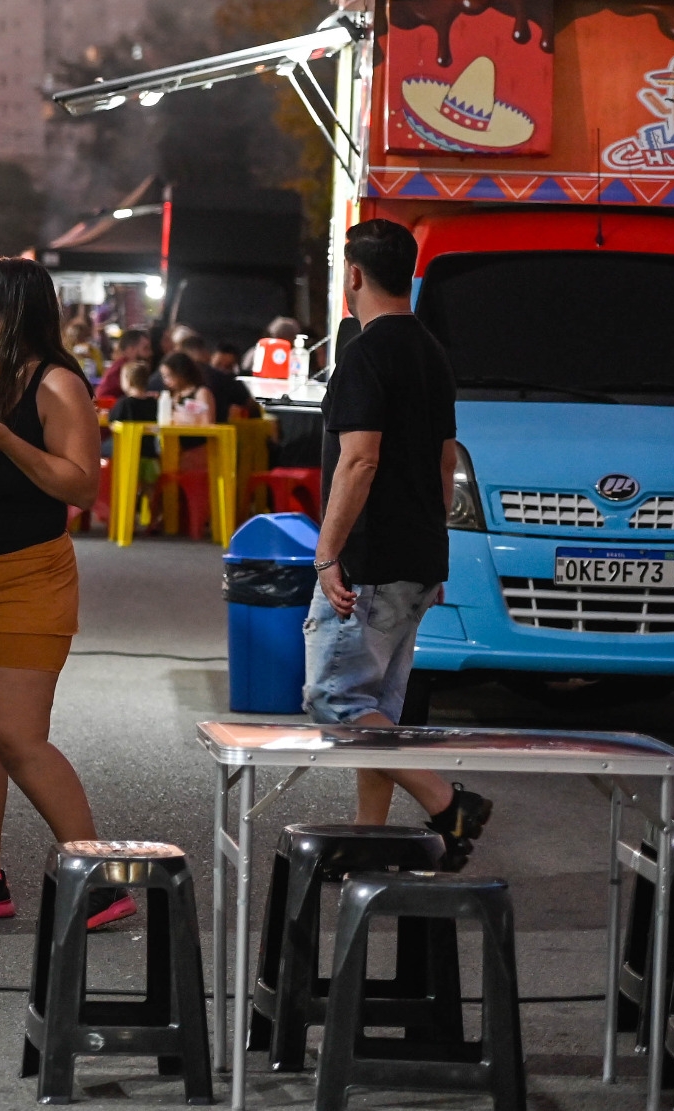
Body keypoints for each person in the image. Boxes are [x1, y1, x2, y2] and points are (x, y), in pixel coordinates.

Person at [0, 258, 124, 929]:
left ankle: (101, 874)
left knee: (18, 736)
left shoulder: (57, 383)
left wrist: (9, 442)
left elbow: (79, 486)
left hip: (23, 583)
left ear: (9, 314)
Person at [306, 219, 489, 866]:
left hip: (370, 561)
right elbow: (445, 464)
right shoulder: (431, 351)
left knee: (336, 699)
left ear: (354, 273)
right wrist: (432, 551)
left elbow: (359, 461)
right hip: (416, 556)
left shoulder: (365, 353)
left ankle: (447, 803)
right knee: (380, 708)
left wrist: (328, 554)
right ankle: (371, 838)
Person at [161, 351, 215, 424]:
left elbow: (207, 421)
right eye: (164, 377)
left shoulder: (201, 392)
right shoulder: (172, 395)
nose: (166, 381)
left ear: (181, 373)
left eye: (169, 376)